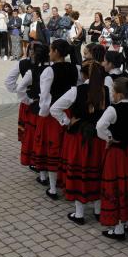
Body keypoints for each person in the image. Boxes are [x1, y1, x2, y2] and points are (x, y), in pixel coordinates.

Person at [52, 61, 109, 231]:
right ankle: (98, 210)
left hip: (80, 138)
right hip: (99, 139)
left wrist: (66, 121)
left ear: (84, 75)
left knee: (80, 171)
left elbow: (55, 108)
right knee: (97, 171)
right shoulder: (106, 91)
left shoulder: (76, 91)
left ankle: (79, 214)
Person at [96, 77, 128, 237]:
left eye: (113, 91)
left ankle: (118, 229)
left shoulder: (113, 109)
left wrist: (109, 138)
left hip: (118, 152)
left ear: (119, 94)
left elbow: (99, 127)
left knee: (118, 185)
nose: (111, 94)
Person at [31, 39, 80, 200]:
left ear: (56, 52)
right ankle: (65, 182)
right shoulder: (75, 68)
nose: (49, 53)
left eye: (51, 50)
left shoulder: (49, 71)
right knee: (66, 148)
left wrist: (43, 114)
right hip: (70, 110)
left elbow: (45, 96)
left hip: (53, 113)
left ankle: (52, 188)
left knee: (52, 149)